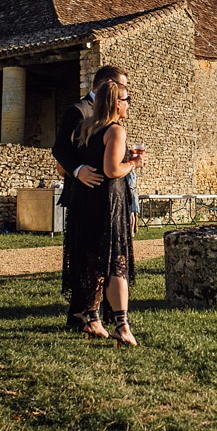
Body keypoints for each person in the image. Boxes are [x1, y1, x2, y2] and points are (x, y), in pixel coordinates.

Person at [68, 80, 147, 346]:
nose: (128, 104)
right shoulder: (115, 131)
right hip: (108, 203)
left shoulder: (84, 128)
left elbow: (62, 166)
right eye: (126, 99)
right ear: (116, 103)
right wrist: (133, 163)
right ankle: (122, 326)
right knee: (116, 262)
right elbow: (112, 170)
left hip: (85, 202)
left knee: (93, 261)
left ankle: (92, 319)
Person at [52, 64, 128, 330]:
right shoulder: (78, 111)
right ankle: (82, 315)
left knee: (101, 257)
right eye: (123, 88)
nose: (126, 95)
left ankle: (100, 316)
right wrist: (78, 170)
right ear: (109, 84)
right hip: (85, 193)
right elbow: (60, 149)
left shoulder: (112, 118)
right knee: (86, 256)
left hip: (110, 194)